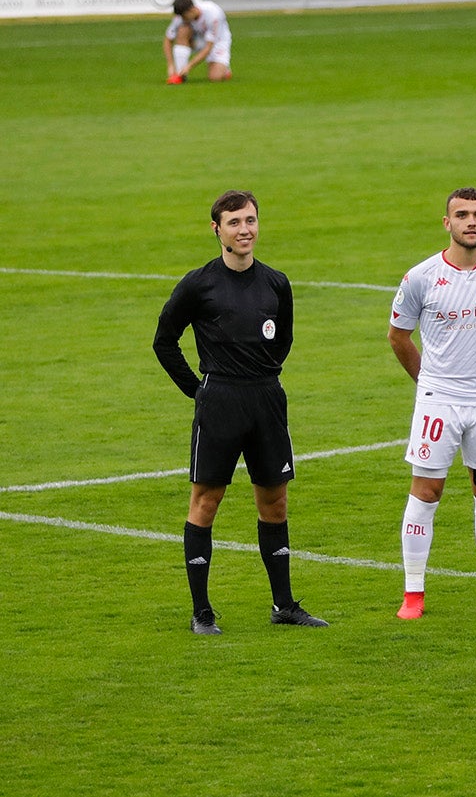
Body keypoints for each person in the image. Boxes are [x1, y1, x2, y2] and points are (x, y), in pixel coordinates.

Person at [153, 190, 328, 635]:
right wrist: (198, 391)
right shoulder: (199, 284)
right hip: (220, 402)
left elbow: (283, 340)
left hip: (267, 399)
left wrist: (261, 374)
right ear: (217, 230)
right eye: (234, 223)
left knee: (275, 501)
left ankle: (284, 605)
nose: (244, 230)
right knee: (206, 501)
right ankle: (202, 612)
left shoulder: (276, 283)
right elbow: (164, 340)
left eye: (250, 220)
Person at [389, 188, 476, 617]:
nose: (472, 221)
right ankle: (413, 593)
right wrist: (429, 382)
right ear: (447, 223)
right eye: (463, 214)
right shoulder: (421, 277)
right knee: (426, 491)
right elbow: (398, 336)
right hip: (438, 402)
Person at [163, 0, 231, 85]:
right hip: (198, 39)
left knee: (215, 77)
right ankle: (180, 75)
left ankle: (225, 70)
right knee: (183, 30)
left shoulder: (213, 14)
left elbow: (208, 47)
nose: (183, 19)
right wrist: (170, 65)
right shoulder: (180, 16)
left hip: (217, 41)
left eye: (185, 17)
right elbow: (168, 39)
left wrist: (189, 66)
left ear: (191, 10)